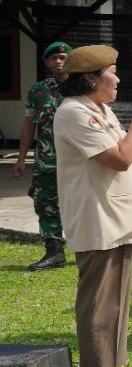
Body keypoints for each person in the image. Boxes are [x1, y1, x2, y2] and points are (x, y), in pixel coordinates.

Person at [54, 46, 132, 367]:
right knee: (98, 302)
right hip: (96, 219)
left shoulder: (99, 109)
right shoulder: (73, 112)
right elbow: (119, 159)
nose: (118, 79)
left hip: (116, 216)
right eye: (112, 72)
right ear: (91, 79)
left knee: (116, 300)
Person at [14, 41, 72, 271]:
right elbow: (29, 125)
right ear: (47, 63)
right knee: (45, 204)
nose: (58, 61)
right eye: (53, 58)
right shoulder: (38, 91)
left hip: (78, 160)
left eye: (63, 57)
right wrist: (21, 159)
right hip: (46, 161)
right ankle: (54, 252)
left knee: (84, 202)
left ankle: (91, 250)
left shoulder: (84, 86)